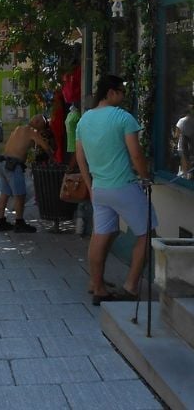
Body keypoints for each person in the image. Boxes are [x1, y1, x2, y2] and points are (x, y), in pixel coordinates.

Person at [76, 74, 157, 306]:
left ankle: (97, 285)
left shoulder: (84, 120)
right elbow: (136, 154)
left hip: (100, 188)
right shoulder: (123, 118)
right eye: (121, 91)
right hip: (123, 185)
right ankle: (131, 286)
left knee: (100, 236)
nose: (123, 96)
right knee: (147, 232)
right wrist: (146, 177)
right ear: (111, 93)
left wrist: (90, 186)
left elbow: (80, 158)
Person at [0, 114, 54, 232]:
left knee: (4, 194)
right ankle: (19, 222)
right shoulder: (32, 132)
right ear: (38, 123)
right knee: (20, 195)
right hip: (14, 165)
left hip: (3, 162)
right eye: (43, 126)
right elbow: (46, 147)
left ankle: (0, 221)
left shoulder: (18, 129)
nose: (42, 129)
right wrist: (53, 157)